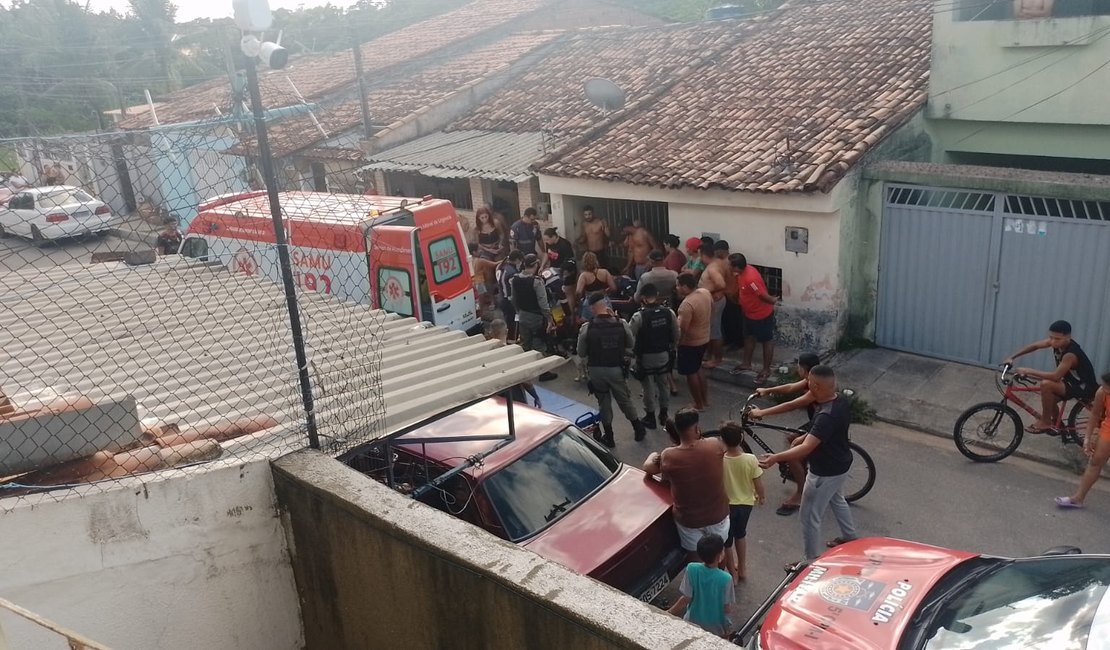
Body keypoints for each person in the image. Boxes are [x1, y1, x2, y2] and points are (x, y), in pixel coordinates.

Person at [759, 366, 857, 566]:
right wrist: (803, 436)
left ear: (816, 386)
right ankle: (850, 536)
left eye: (809, 382)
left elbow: (807, 448)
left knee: (809, 517)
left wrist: (776, 457)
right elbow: (818, 433)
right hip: (841, 464)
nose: (806, 385)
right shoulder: (838, 402)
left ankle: (810, 561)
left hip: (824, 472)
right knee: (837, 499)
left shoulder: (825, 416)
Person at [642, 408, 729, 558]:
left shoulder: (668, 456)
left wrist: (653, 455)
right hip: (718, 516)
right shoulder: (715, 444)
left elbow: (648, 468)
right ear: (697, 428)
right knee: (718, 554)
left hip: (689, 520)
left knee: (695, 560)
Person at [750, 352, 822, 515]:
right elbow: (790, 388)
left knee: (793, 453)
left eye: (798, 366)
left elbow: (791, 405)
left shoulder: (815, 386)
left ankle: (801, 493)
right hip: (816, 420)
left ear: (803, 369)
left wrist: (762, 413)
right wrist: (768, 390)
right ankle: (800, 471)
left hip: (821, 423)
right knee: (791, 437)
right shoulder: (814, 377)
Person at [1005, 320, 1098, 433]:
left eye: (1057, 339)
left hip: (1084, 387)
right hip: (1072, 382)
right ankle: (1058, 425)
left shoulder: (1070, 354)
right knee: (1048, 399)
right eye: (1051, 337)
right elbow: (1035, 346)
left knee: (1046, 385)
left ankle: (1046, 422)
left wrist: (1028, 371)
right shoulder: (1057, 343)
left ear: (1068, 336)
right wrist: (1012, 357)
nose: (1053, 342)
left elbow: (1055, 376)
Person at [578, 293, 646, 445]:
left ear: (592, 308)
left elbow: (581, 352)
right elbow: (630, 343)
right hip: (616, 369)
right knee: (624, 400)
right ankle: (638, 428)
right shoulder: (621, 323)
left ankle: (609, 437)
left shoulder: (587, 328)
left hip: (596, 370)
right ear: (606, 306)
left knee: (603, 402)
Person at [1057, 371, 1110, 509]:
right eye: (1104, 386)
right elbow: (1095, 414)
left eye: (1107, 388)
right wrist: (1087, 438)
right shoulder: (1102, 392)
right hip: (1108, 428)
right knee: (1095, 462)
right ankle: (1078, 498)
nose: (1104, 389)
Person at [630, 284, 679, 430]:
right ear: (656, 295)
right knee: (663, 384)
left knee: (648, 387)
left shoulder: (639, 316)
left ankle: (650, 417)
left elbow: (630, 337)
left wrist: (630, 354)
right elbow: (676, 333)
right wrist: (672, 347)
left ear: (643, 298)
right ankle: (664, 414)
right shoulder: (668, 313)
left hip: (645, 357)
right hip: (664, 355)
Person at [720, 422, 765, 581]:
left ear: (722, 440)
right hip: (746, 504)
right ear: (742, 437)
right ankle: (743, 567)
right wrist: (762, 497)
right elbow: (758, 482)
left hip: (727, 506)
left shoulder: (720, 460)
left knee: (727, 541)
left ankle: (732, 572)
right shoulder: (750, 459)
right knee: (741, 535)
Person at [666, 533, 734, 638]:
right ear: (719, 555)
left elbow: (686, 598)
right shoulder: (726, 578)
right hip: (715, 628)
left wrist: (669, 612)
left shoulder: (692, 568)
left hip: (692, 621)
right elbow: (727, 608)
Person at [729, 253, 777, 384]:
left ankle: (766, 369)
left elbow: (761, 294)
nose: (728, 267)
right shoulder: (741, 273)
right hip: (748, 313)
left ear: (737, 267)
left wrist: (772, 300)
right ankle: (746, 363)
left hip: (761, 314)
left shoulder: (750, 278)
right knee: (749, 337)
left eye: (730, 265)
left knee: (766, 341)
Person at [484, 319, 541, 407]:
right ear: (507, 331)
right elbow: (524, 379)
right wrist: (535, 396)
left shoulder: (486, 355)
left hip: (496, 398)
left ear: (490, 333)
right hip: (514, 395)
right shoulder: (513, 353)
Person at [676, 274, 712, 411]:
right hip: (704, 338)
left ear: (685, 286)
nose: (677, 288)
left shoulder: (687, 304)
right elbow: (712, 311)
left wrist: (678, 343)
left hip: (690, 343)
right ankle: (705, 400)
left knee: (691, 373)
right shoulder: (705, 293)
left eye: (678, 285)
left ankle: (698, 404)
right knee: (698, 369)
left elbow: (683, 329)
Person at [511, 253, 554, 355]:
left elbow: (513, 299)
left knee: (525, 346)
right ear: (535, 265)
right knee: (539, 345)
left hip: (522, 316)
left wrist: (519, 311)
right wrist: (549, 320)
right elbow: (543, 305)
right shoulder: (537, 282)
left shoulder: (515, 279)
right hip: (536, 318)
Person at [698, 244, 728, 369]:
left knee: (714, 331)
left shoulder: (712, 268)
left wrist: (705, 290)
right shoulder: (720, 262)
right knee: (710, 329)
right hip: (714, 299)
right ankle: (709, 354)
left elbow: (721, 284)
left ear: (704, 255)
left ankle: (717, 359)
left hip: (715, 300)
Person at [473, 206, 508, 291]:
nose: (484, 219)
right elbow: (478, 244)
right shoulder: (477, 229)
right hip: (486, 250)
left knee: (500, 268)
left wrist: (500, 244)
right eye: (482, 218)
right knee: (488, 272)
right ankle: (489, 291)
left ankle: (501, 286)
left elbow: (501, 234)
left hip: (497, 247)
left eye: (486, 217)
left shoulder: (495, 223)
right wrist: (489, 249)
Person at [575, 251, 616, 321]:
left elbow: (578, 292)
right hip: (604, 300)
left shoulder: (584, 275)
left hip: (589, 302)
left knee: (587, 323)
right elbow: (613, 287)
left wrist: (578, 302)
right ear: (596, 261)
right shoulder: (605, 272)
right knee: (609, 319)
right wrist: (606, 291)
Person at [495, 250, 525, 341]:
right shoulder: (512, 273)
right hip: (509, 301)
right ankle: (512, 340)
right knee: (514, 322)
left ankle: (509, 339)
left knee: (508, 321)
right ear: (516, 260)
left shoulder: (502, 267)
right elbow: (514, 289)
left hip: (501, 298)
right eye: (520, 261)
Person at [621, 216, 659, 281]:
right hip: (637, 267)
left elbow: (656, 248)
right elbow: (631, 252)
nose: (623, 232)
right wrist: (628, 266)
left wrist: (650, 261)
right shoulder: (630, 237)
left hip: (647, 265)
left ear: (626, 227)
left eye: (623, 229)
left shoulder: (644, 233)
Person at [576, 205, 611, 270]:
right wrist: (577, 242)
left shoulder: (600, 222)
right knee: (591, 271)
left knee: (602, 270)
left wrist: (605, 225)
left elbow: (608, 235)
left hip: (600, 252)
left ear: (593, 213)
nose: (588, 216)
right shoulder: (584, 224)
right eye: (585, 215)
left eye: (589, 214)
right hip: (590, 252)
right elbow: (583, 237)